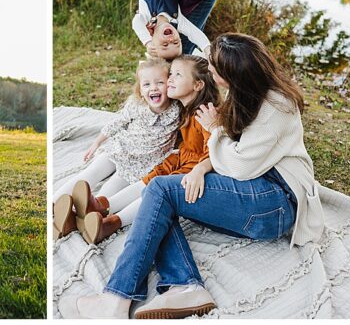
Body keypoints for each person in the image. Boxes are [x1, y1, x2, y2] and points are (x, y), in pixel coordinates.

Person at [65, 33, 324, 319]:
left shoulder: (275, 108)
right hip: (255, 190)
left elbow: (238, 165)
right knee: (163, 201)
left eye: (214, 69)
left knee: (162, 190)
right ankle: (184, 285)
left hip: (273, 202)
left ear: (232, 74)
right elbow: (232, 148)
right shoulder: (249, 89)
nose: (210, 70)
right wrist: (159, 34)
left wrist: (214, 131)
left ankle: (115, 298)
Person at [80, 55, 219, 244]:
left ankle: (112, 222)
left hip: (195, 169)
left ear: (198, 85)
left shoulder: (205, 113)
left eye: (177, 75)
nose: (170, 80)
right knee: (151, 178)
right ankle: (101, 206)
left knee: (157, 189)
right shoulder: (184, 106)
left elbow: (215, 150)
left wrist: (200, 170)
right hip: (179, 160)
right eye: (170, 75)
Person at [52, 58, 179, 239]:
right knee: (90, 175)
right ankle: (53, 204)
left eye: (160, 83)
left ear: (170, 85)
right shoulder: (136, 105)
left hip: (140, 166)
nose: (154, 88)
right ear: (141, 90)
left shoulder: (177, 109)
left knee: (104, 199)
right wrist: (97, 143)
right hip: (119, 148)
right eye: (147, 84)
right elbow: (116, 123)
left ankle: (80, 222)